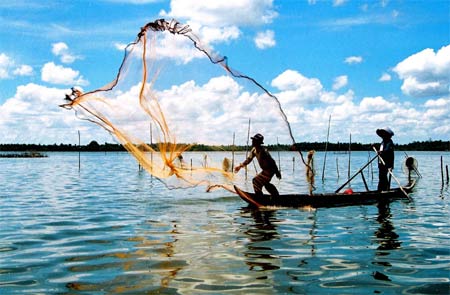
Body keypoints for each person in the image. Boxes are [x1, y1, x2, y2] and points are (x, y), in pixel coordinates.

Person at [234, 133, 281, 197]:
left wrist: (277, 172)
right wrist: (240, 166)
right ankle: (275, 196)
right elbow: (249, 159)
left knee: (256, 181)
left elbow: (272, 162)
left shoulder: (264, 151)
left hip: (270, 170)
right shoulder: (254, 150)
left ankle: (259, 196)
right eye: (253, 140)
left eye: (254, 140)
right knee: (265, 183)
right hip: (265, 170)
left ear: (258, 142)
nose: (252, 141)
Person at [375, 127, 395, 191]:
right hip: (381, 163)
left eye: (384, 134)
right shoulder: (383, 142)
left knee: (383, 177)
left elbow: (387, 150)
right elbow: (382, 149)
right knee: (381, 177)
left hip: (386, 163)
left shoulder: (389, 142)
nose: (382, 136)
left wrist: (381, 152)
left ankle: (384, 190)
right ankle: (381, 190)